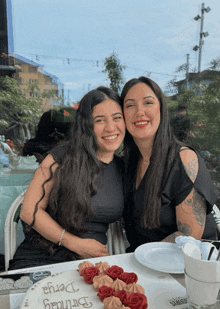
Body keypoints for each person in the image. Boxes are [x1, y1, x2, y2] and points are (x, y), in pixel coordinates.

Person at [9, 87, 125, 270]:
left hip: (91, 265)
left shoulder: (123, 168)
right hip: (42, 258)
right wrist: (75, 244)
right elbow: (29, 211)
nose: (111, 127)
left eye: (117, 117)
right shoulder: (62, 156)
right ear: (87, 126)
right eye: (99, 120)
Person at [121, 77, 219, 252]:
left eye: (148, 103)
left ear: (161, 109)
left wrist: (139, 257)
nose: (139, 112)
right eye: (130, 105)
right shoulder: (129, 162)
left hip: (189, 267)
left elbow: (189, 236)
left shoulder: (183, 160)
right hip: (142, 263)